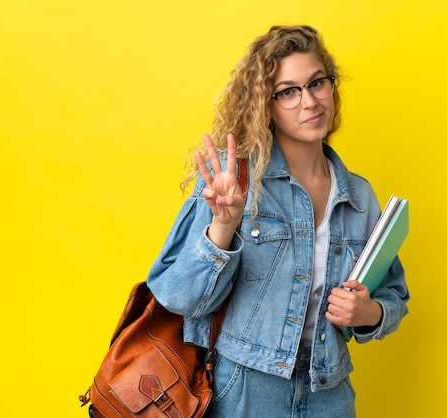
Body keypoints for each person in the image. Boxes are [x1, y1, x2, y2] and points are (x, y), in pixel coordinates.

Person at [147, 25, 410, 417]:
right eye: (288, 91)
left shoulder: (359, 198)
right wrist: (222, 227)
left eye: (317, 83)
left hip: (330, 391)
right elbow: (177, 296)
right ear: (265, 105)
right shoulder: (236, 182)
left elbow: (394, 294)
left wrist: (369, 313)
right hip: (248, 389)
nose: (310, 102)